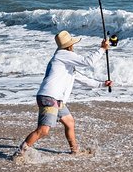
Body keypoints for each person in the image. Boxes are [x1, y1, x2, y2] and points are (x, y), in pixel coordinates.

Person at [13, 30, 112, 159]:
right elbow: (87, 62)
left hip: (56, 99)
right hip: (49, 97)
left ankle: (75, 151)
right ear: (70, 45)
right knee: (43, 130)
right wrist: (102, 49)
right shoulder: (63, 55)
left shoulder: (64, 60)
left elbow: (82, 79)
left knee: (69, 122)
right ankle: (20, 153)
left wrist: (103, 84)